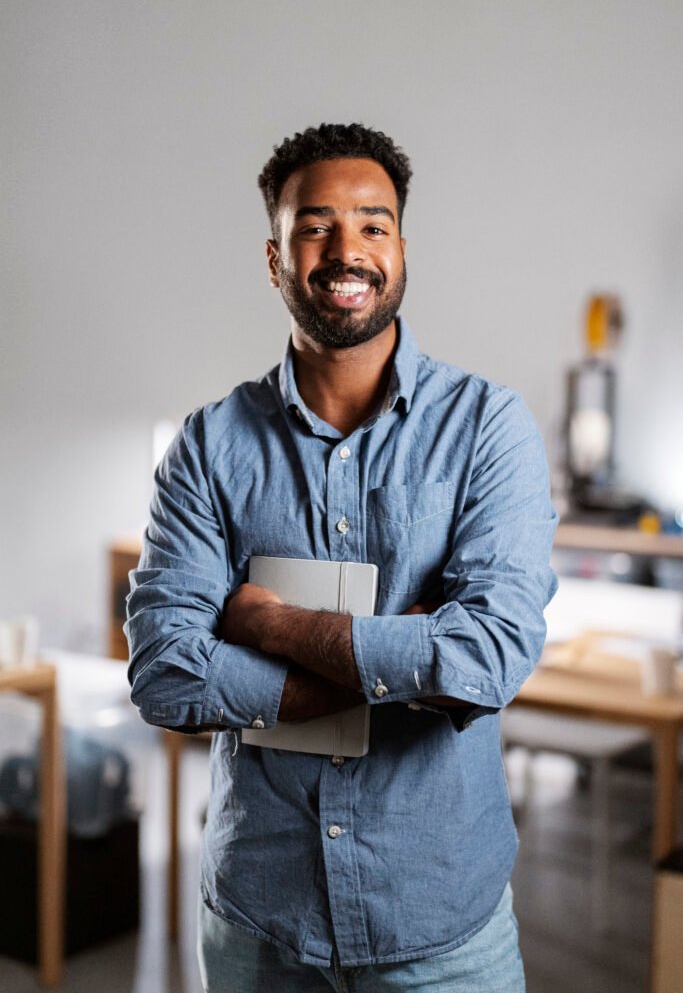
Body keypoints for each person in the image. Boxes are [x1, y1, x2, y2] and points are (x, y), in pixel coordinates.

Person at [126, 123, 558, 992]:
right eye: (315, 225)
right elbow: (166, 676)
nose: (346, 248)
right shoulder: (208, 447)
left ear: (400, 248)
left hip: (441, 927)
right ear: (275, 257)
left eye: (373, 223)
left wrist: (268, 624)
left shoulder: (487, 427)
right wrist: (394, 666)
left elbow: (485, 658)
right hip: (260, 920)